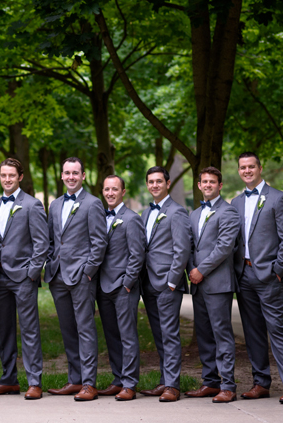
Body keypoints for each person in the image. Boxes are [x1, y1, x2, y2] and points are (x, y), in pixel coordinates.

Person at [231, 152, 283, 404]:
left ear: (260, 168)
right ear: (239, 171)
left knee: (276, 329)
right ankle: (261, 383)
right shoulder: (236, 203)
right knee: (252, 331)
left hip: (269, 275)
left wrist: (279, 269)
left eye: (251, 166)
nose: (247, 170)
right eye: (242, 167)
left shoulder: (278, 198)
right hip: (243, 274)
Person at [44, 157, 108, 401]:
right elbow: (52, 239)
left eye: (75, 173)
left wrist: (88, 271)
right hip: (57, 275)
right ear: (61, 176)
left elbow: (99, 242)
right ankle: (75, 379)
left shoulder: (93, 204)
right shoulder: (55, 204)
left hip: (82, 276)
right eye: (67, 173)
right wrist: (51, 263)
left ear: (83, 176)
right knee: (67, 329)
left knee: (85, 329)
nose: (71, 177)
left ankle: (89, 384)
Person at [0, 158, 48, 400]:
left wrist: (31, 273)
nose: (7, 179)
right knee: (5, 330)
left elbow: (42, 243)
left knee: (30, 330)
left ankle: (34, 381)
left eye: (12, 175)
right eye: (3, 175)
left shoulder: (32, 205)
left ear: (20, 177)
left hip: (23, 278)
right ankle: (8, 379)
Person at [186, 167, 241, 403]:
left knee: (222, 334)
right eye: (204, 181)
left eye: (212, 181)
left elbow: (224, 247)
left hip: (218, 283)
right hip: (197, 283)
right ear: (199, 185)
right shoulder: (194, 214)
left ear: (220, 185)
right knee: (204, 334)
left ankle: (228, 385)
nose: (207, 185)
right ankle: (210, 382)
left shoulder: (228, 212)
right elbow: (190, 246)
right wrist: (191, 269)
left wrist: (201, 270)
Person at [138, 166, 192, 403]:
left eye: (159, 181)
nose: (154, 185)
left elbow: (182, 250)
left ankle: (173, 385)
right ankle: (164, 381)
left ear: (168, 184)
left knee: (169, 334)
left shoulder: (177, 212)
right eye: (151, 182)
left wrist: (172, 280)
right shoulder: (146, 213)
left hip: (167, 283)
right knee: (159, 335)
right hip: (148, 282)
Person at [96, 174, 145, 401]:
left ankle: (129, 383)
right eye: (107, 189)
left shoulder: (132, 219)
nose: (110, 193)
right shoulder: (99, 216)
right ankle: (117, 379)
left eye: (115, 189)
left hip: (123, 287)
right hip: (103, 287)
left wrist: (127, 283)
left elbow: (137, 254)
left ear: (123, 192)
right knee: (112, 336)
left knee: (127, 336)